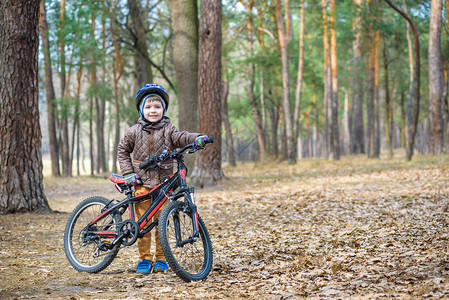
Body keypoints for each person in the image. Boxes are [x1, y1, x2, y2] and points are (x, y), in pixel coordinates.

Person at [117, 83, 207, 274]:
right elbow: (123, 151)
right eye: (148, 107)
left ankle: (161, 259)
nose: (153, 110)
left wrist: (198, 137)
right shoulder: (134, 131)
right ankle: (144, 259)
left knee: (162, 223)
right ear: (142, 109)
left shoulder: (169, 129)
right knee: (143, 224)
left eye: (157, 107)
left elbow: (182, 137)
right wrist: (128, 173)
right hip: (141, 184)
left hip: (164, 186)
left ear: (163, 110)